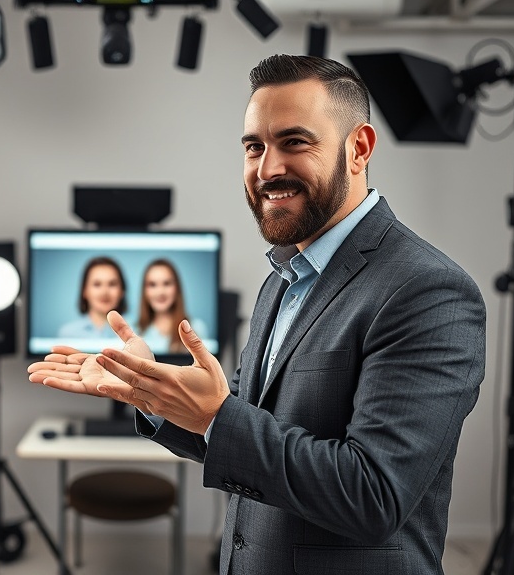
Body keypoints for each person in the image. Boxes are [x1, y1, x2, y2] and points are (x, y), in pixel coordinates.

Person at [29, 54, 486, 575]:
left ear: (358, 149)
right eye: (254, 147)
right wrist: (149, 392)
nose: (268, 169)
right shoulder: (283, 279)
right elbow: (245, 428)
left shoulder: (429, 292)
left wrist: (214, 415)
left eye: (295, 142)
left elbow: (373, 496)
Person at [136, 259, 207, 354]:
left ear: (177, 288)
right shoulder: (135, 331)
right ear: (144, 291)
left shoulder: (197, 328)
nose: (160, 292)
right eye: (152, 285)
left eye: (167, 283)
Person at [56, 256, 127, 339]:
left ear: (122, 291)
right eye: (97, 284)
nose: (104, 292)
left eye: (112, 284)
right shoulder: (68, 334)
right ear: (84, 291)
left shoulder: (137, 333)